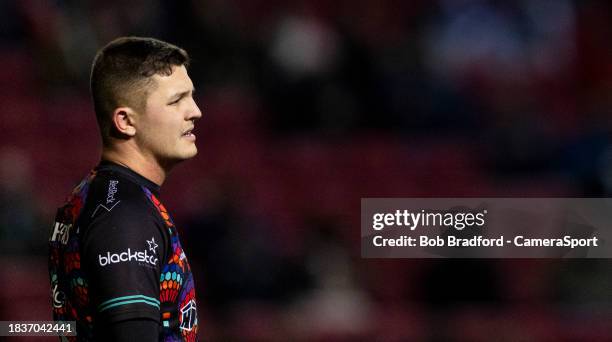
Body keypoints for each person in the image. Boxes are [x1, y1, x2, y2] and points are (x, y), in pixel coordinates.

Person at [48, 37, 202, 341]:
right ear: (125, 121)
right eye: (176, 101)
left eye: (192, 97)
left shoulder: (105, 196)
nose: (195, 111)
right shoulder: (123, 217)